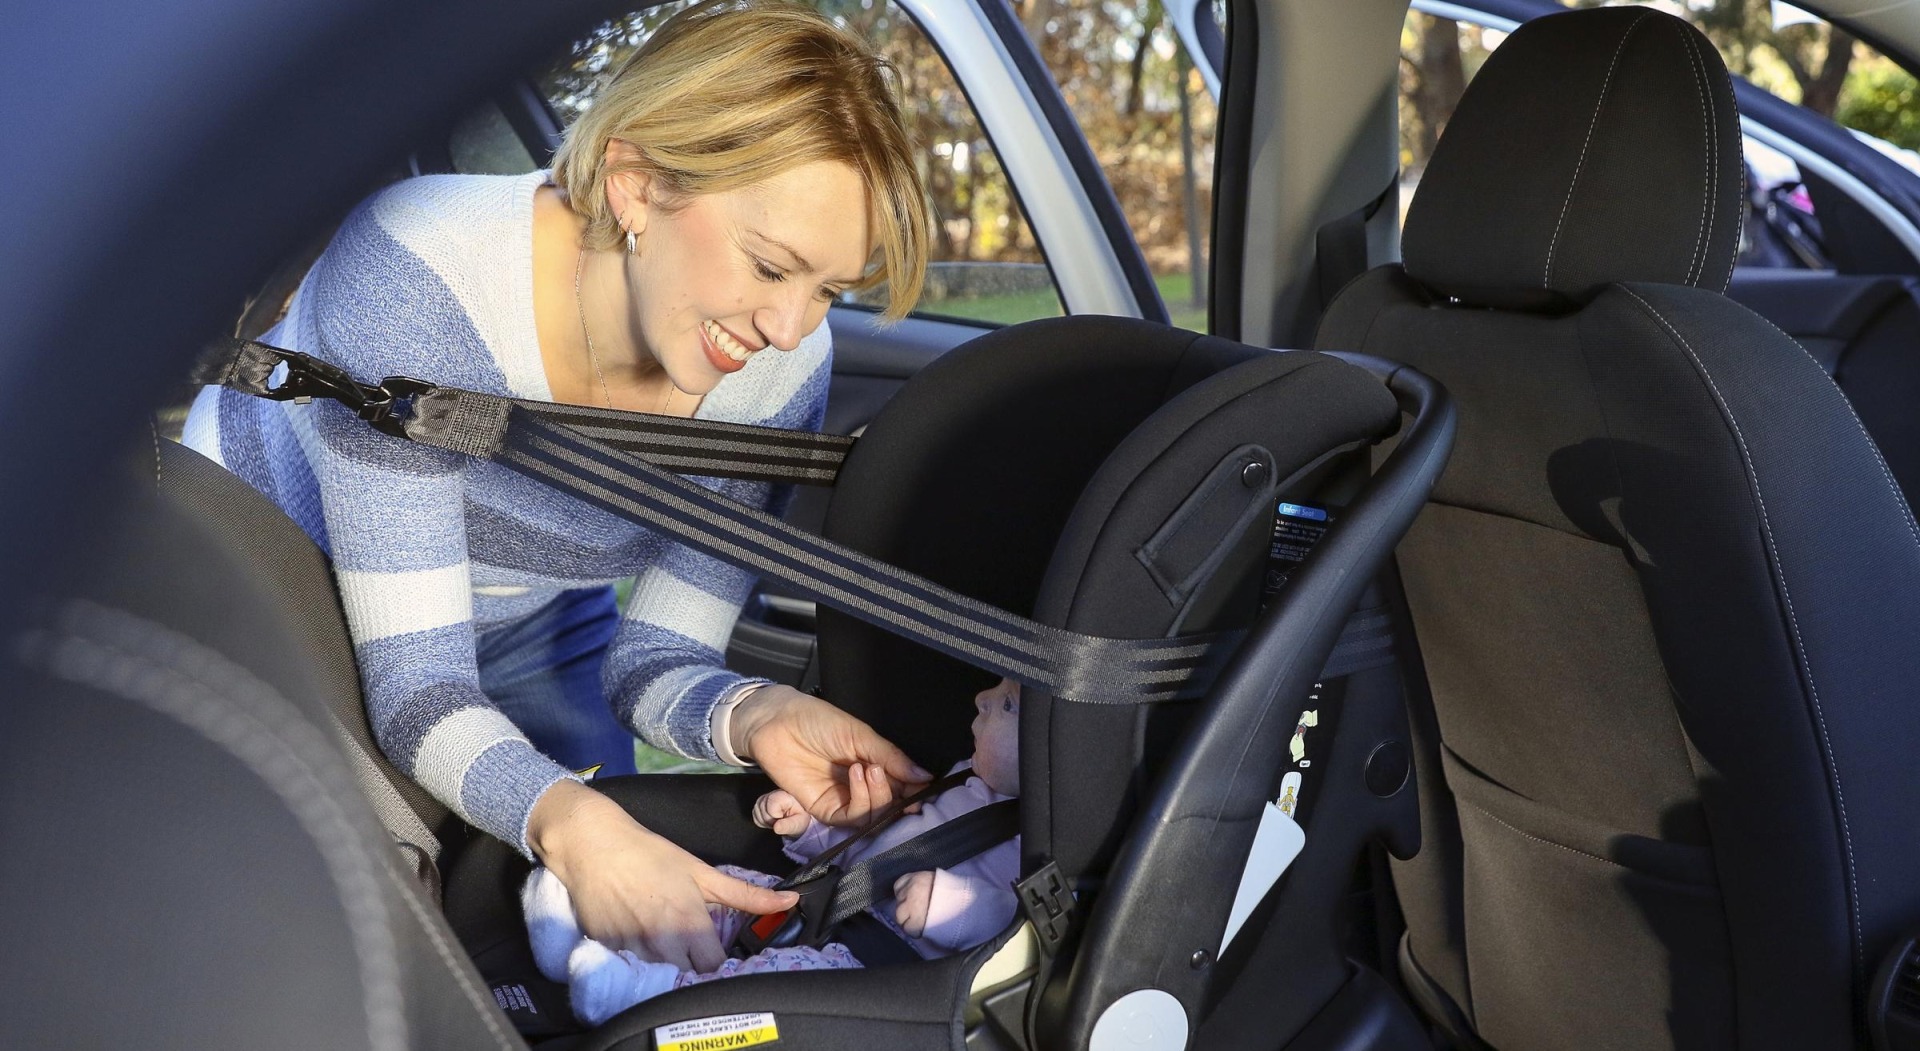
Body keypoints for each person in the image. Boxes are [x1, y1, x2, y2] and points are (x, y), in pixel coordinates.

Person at [181, 0, 934, 974]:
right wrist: (568, 822)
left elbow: (654, 660)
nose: (792, 327)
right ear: (635, 185)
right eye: (770, 266)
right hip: (278, 580)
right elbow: (417, 689)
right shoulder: (420, 278)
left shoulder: (782, 371)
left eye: (828, 288)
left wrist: (757, 713)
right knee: (373, 939)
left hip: (529, 614)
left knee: (584, 933)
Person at [523, 679, 1022, 1025]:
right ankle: (576, 928)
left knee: (772, 983)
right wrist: (811, 828)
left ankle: (640, 992)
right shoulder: (965, 782)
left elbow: (1012, 924)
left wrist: (948, 905)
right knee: (725, 890)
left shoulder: (1031, 843)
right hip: (826, 900)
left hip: (875, 969)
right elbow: (873, 849)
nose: (981, 698)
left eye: (1008, 705)